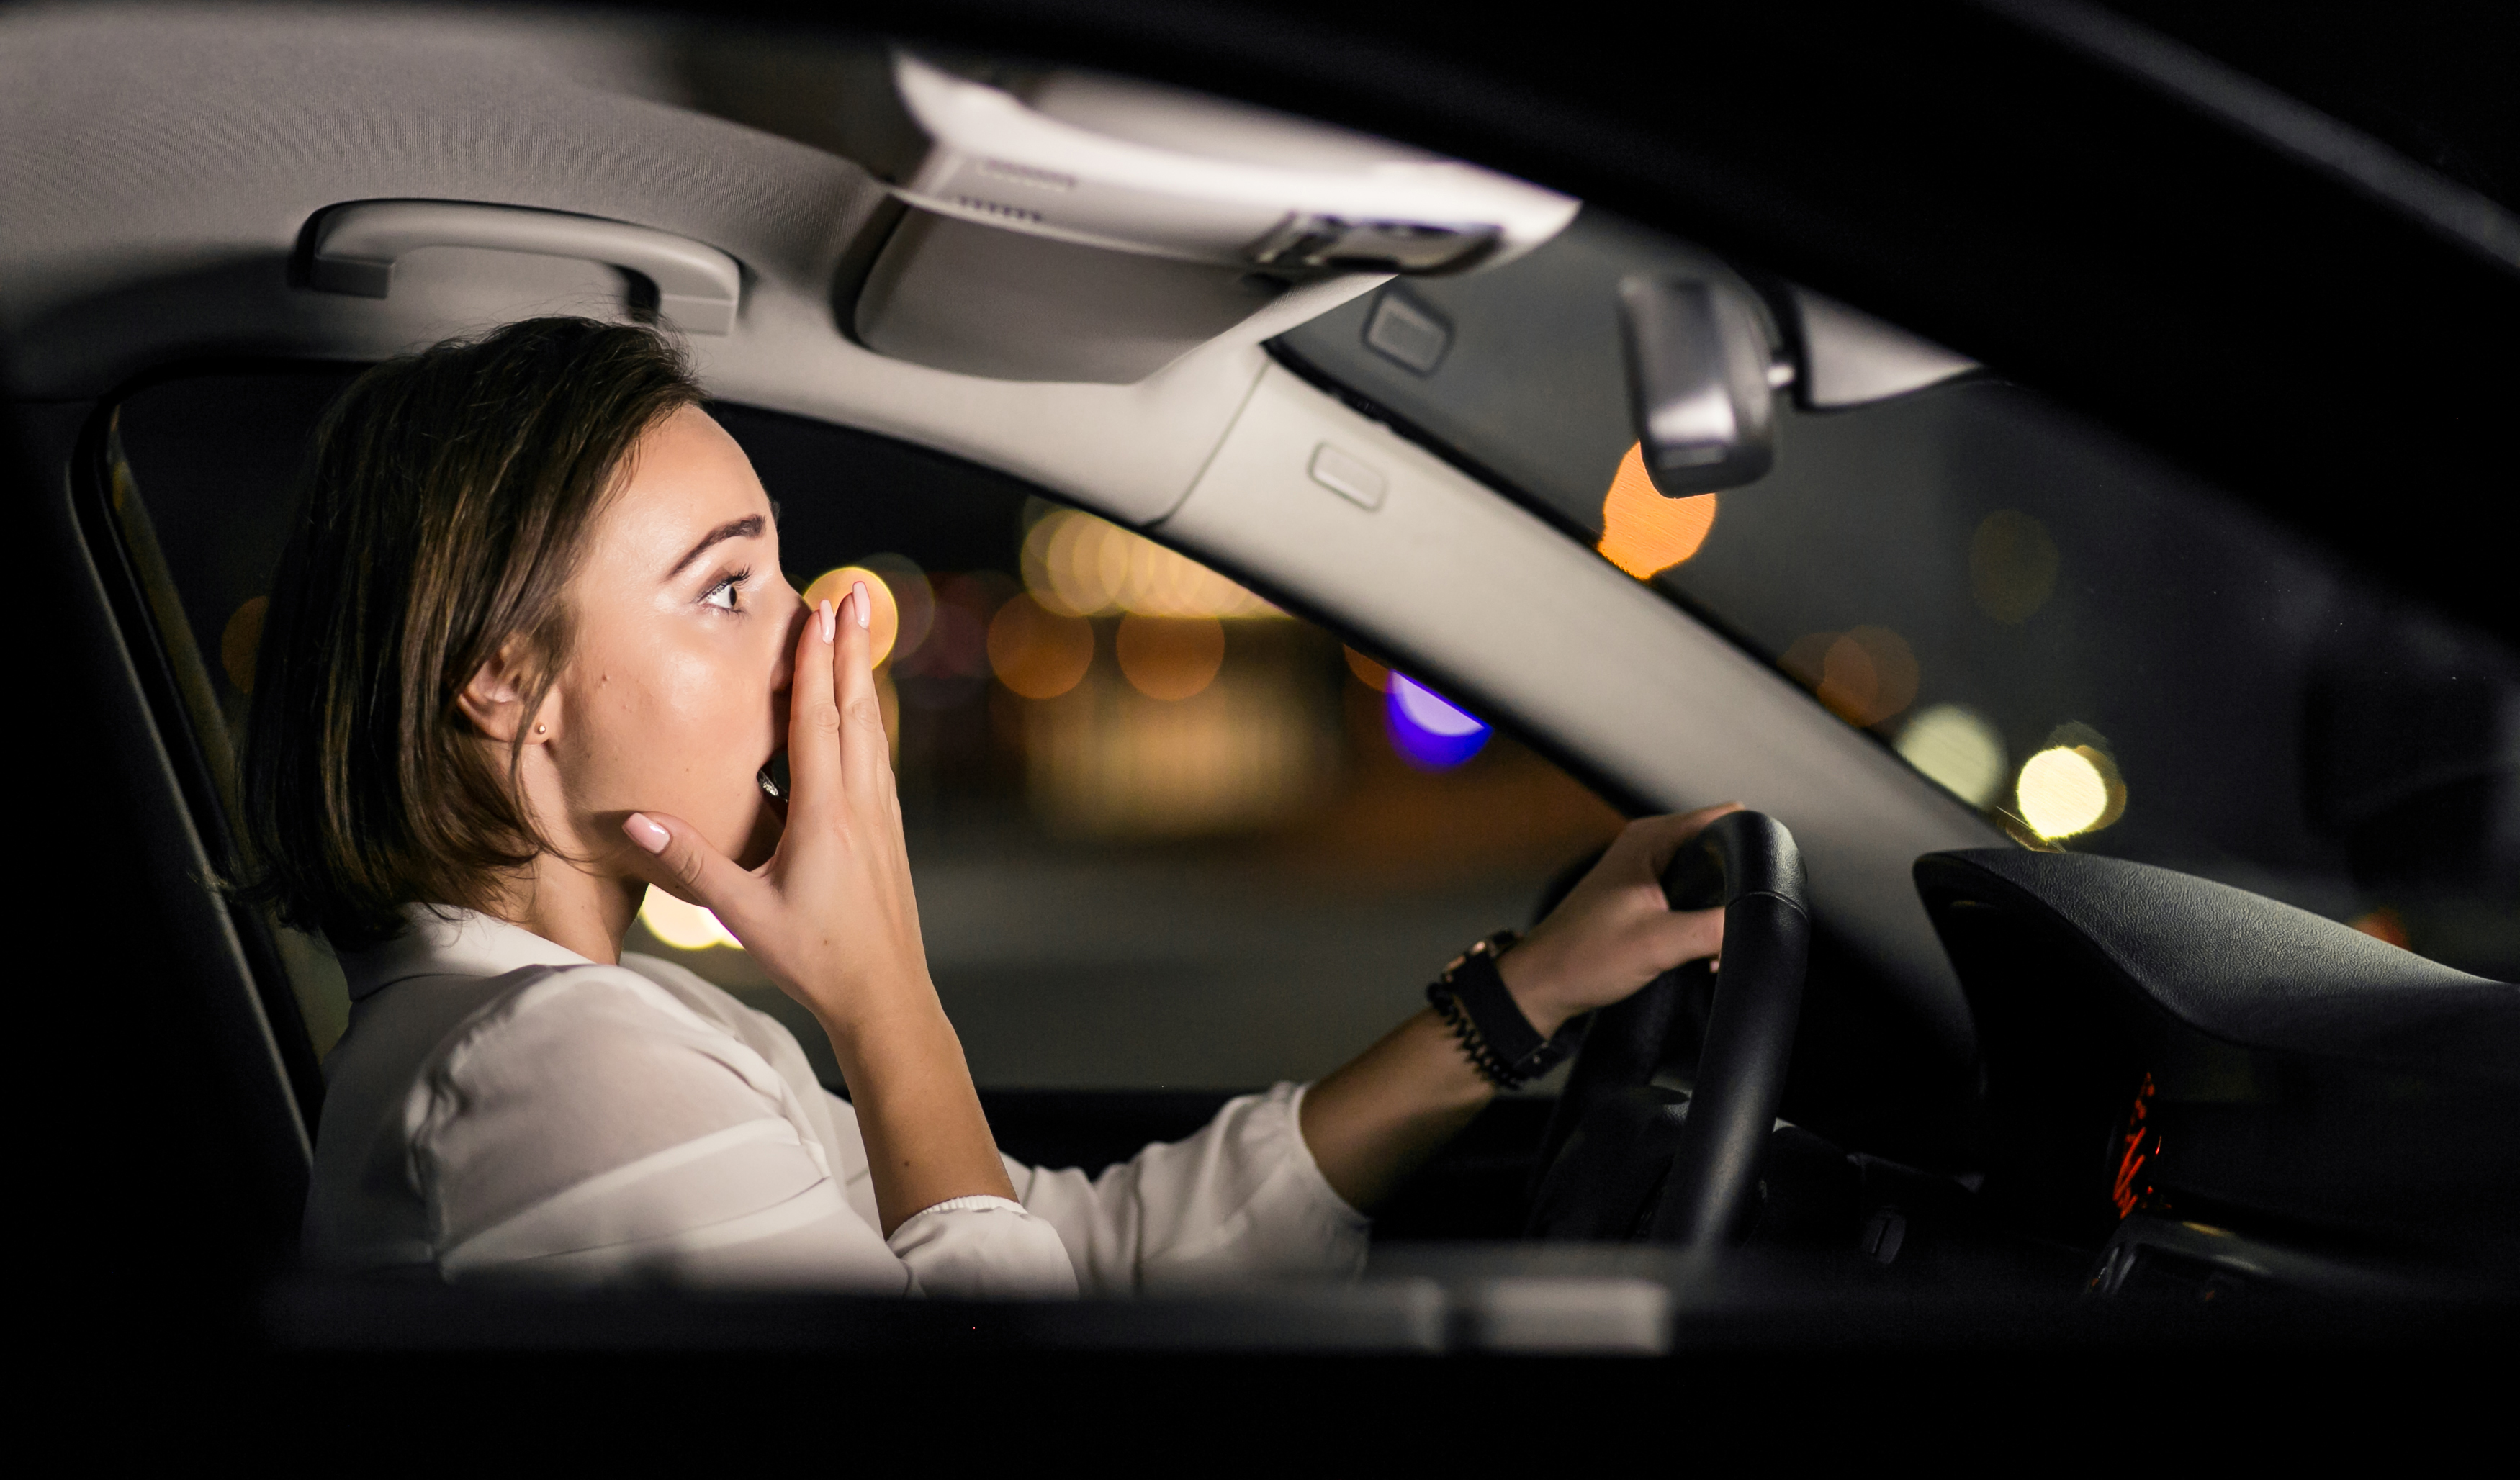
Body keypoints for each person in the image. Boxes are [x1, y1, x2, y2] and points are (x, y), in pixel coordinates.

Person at [243, 317, 1736, 1296]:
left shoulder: (616, 1025)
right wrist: (884, 990)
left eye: (779, 571)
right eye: (724, 588)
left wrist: (1520, 1001)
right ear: (505, 684)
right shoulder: (547, 1073)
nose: (816, 635)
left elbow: (1072, 1253)